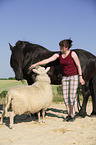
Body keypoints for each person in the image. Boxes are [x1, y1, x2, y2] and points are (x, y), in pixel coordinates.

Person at [29, 39, 85, 122]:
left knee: (71, 97)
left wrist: (80, 77)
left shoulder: (72, 54)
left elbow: (78, 66)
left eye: (61, 47)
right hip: (65, 78)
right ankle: (69, 114)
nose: (60, 48)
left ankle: (72, 115)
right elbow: (47, 60)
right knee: (66, 97)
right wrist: (36, 64)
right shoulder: (58, 55)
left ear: (66, 47)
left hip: (73, 77)